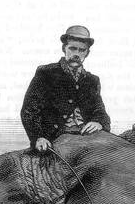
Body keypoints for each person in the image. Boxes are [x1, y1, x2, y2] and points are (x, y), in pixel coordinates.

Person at [21, 24, 110, 156]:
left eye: (82, 50)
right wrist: (38, 137)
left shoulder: (92, 80)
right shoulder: (46, 73)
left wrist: (98, 122)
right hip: (57, 138)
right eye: (73, 48)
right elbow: (29, 110)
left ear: (87, 53)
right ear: (64, 48)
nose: (77, 54)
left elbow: (100, 111)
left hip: (88, 137)